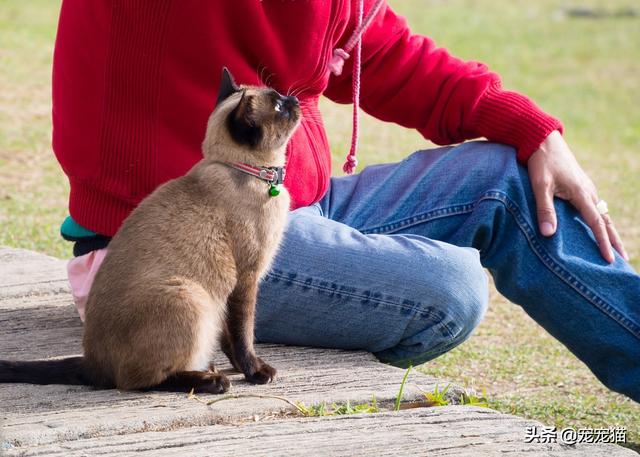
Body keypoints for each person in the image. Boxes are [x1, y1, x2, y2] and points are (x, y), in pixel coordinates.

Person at [53, 1, 639, 402]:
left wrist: (534, 129)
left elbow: (374, 48)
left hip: (288, 203)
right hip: (169, 261)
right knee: (450, 289)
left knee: (508, 176)